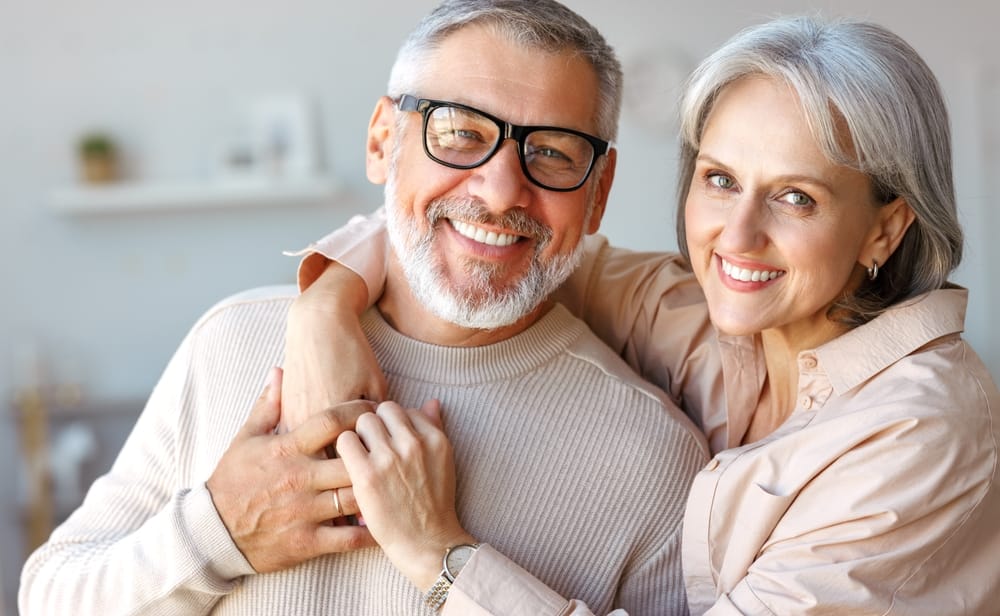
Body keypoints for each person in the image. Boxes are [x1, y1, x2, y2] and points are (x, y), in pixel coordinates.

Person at [282, 14, 1000, 616]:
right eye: (720, 180)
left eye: (795, 197)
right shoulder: (692, 313)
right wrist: (325, 305)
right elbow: (494, 236)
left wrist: (440, 553)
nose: (737, 235)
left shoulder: (923, 432)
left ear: (885, 228)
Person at [19, 1, 710, 615]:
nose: (501, 192)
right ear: (384, 141)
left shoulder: (655, 462)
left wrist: (450, 562)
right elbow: (49, 597)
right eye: (462, 133)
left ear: (599, 192)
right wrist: (219, 533)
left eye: (554, 154)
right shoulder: (230, 342)